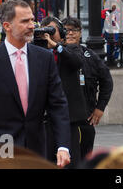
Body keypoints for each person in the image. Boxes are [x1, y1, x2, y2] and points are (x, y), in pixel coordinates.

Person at [0, 0, 71, 168]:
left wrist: (63, 145)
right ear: (7, 26)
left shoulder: (45, 58)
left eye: (32, 20)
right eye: (25, 21)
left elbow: (58, 105)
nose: (32, 26)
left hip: (36, 151)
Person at [62, 17, 113, 160]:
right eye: (66, 30)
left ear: (80, 33)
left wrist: (100, 107)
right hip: (63, 118)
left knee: (85, 158)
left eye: (74, 30)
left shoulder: (91, 56)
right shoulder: (56, 54)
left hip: (86, 118)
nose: (70, 33)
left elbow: (107, 81)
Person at [40, 16, 86, 168]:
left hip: (68, 116)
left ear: (61, 32)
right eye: (46, 30)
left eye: (52, 30)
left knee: (70, 159)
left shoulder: (70, 48)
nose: (49, 34)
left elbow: (76, 61)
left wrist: (55, 46)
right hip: (44, 117)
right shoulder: (37, 52)